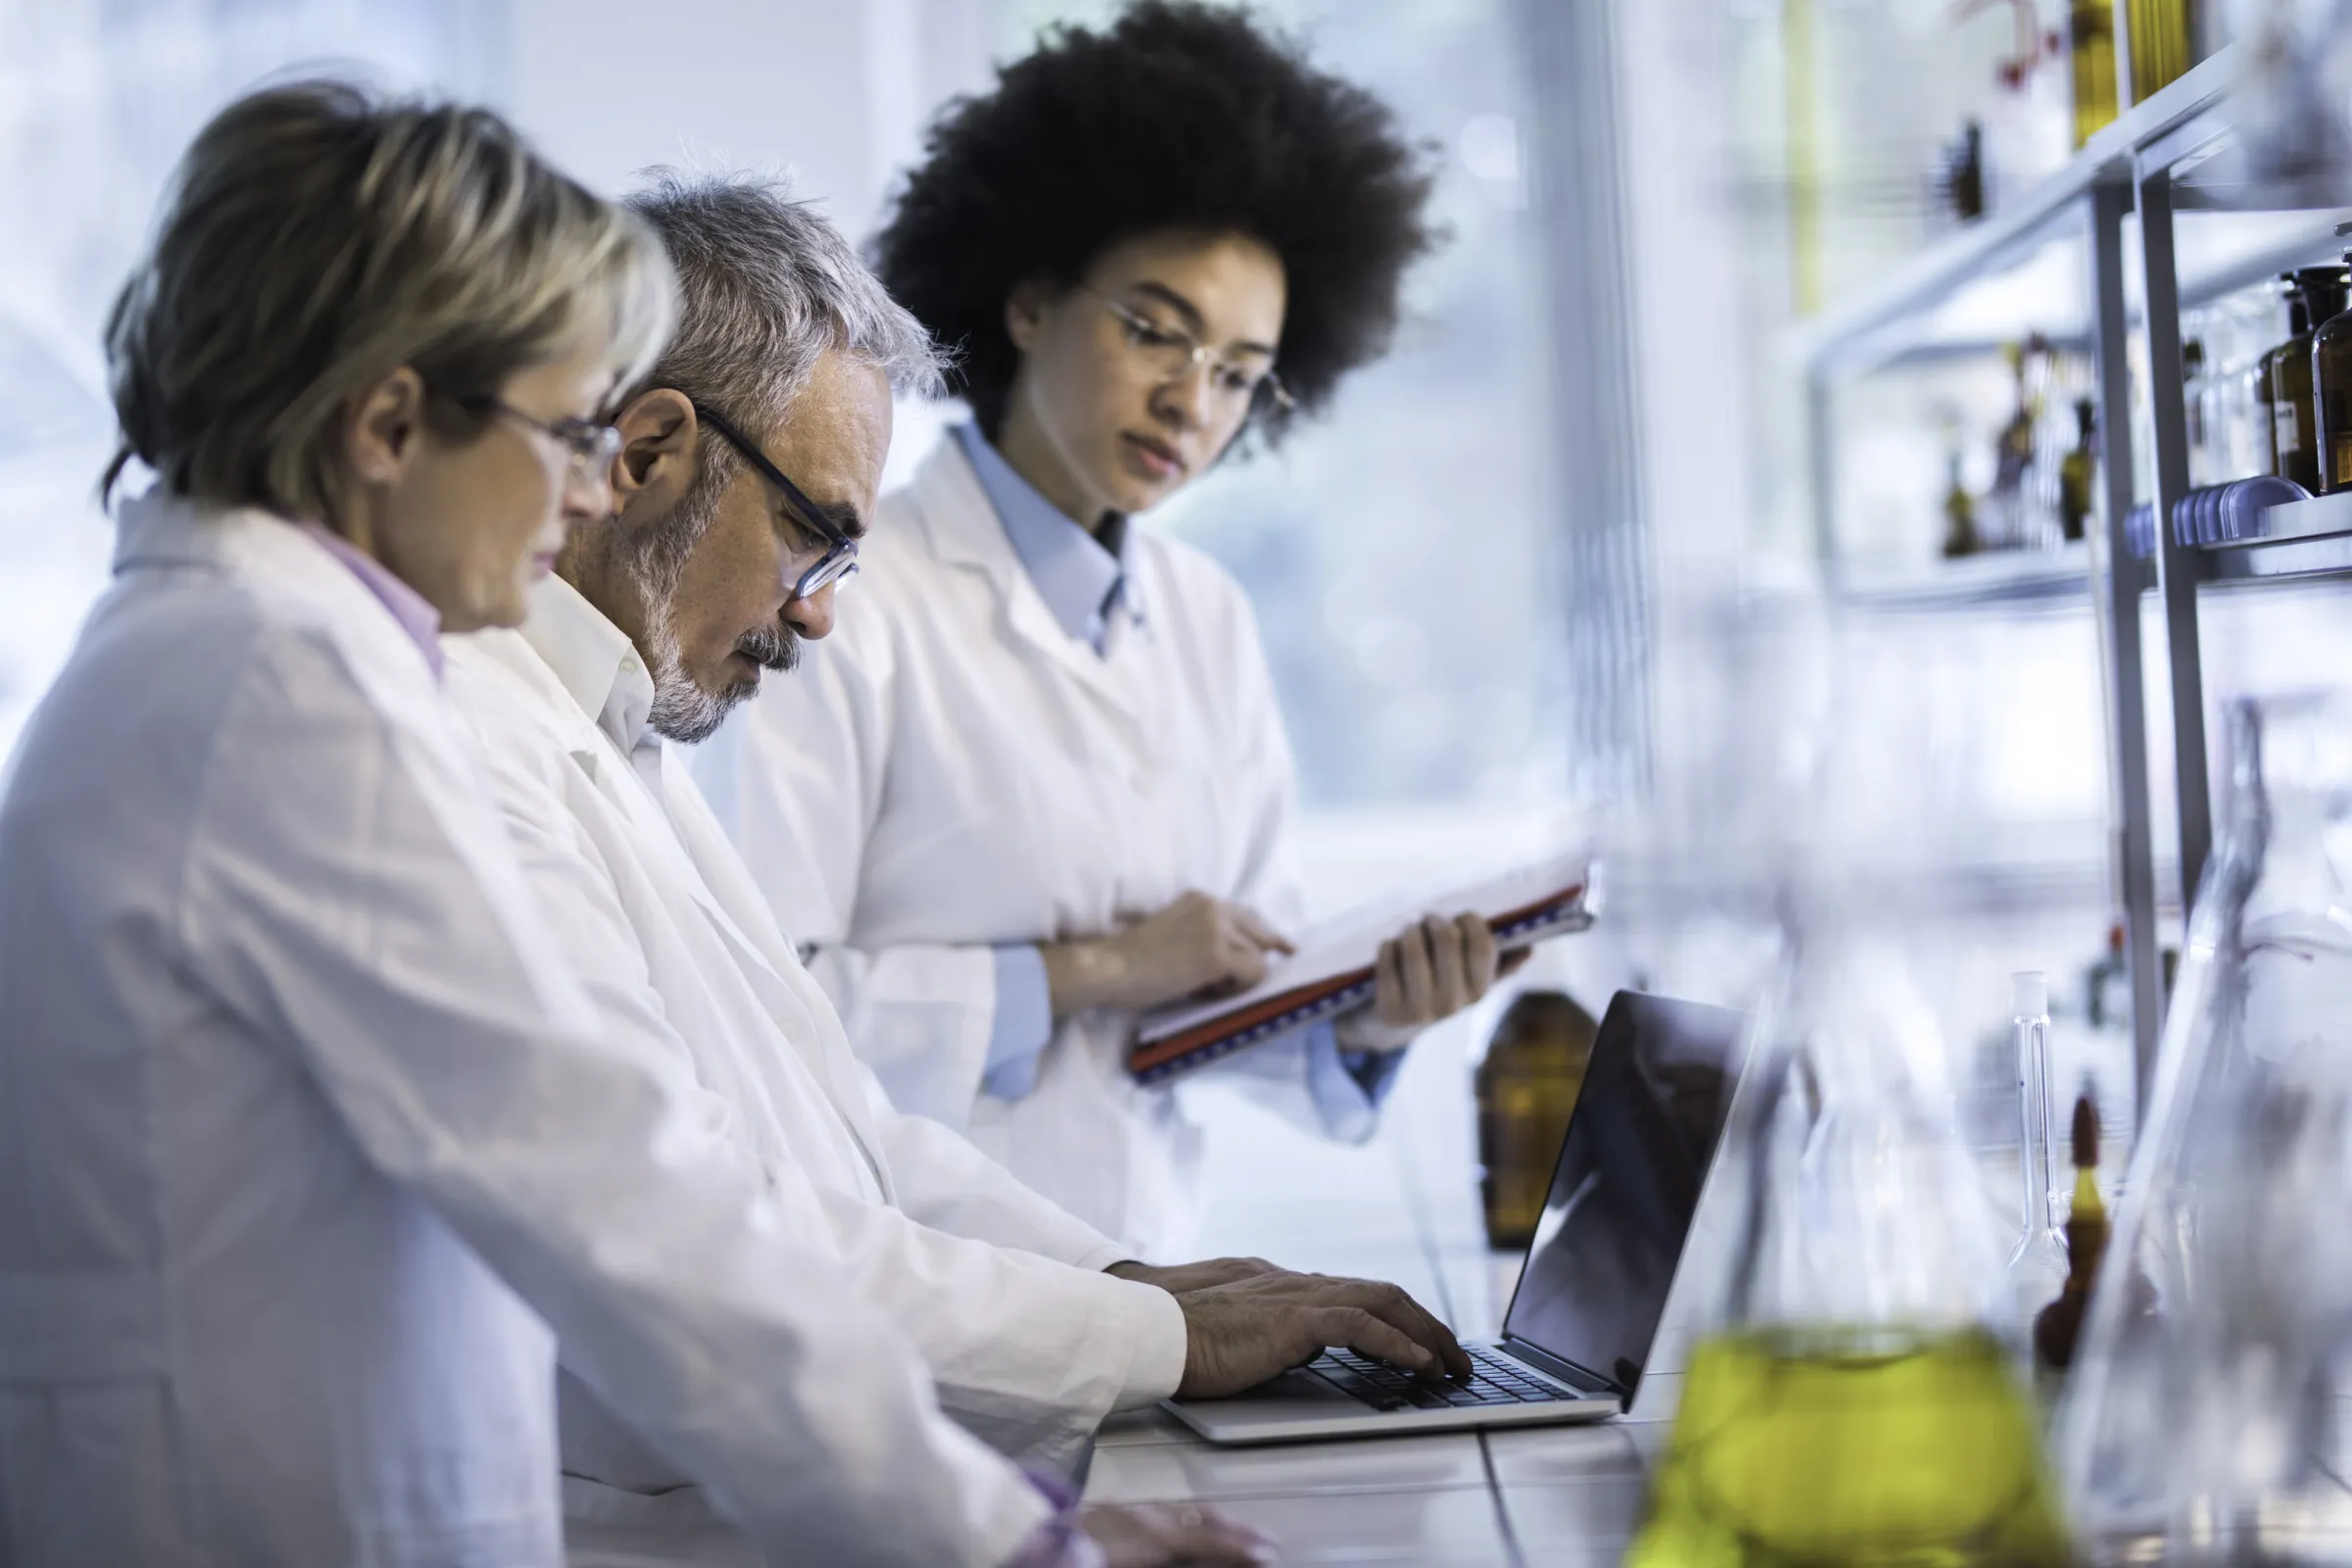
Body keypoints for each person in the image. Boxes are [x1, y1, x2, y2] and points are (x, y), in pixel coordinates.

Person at [0, 81, 1274, 1568]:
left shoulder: (236, 659)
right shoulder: (289, 692)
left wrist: (1140, 1319)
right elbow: (628, 1207)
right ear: (391, 424)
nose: (591, 486)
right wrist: (1018, 1544)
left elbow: (800, 1151)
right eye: (562, 429)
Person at [437, 170, 1474, 1549]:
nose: (816, 623)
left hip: (967, 1362)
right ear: (641, 456)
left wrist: (1145, 1288)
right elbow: (708, 1236)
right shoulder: (495, 740)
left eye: (1239, 370)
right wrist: (1141, 1332)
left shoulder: (624, 729)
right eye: (812, 537)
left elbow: (852, 1134)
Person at [704, 1, 1509, 1256]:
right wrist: (1095, 968)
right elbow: (759, 1010)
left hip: (1157, 1292)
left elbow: (1222, 1001)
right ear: (1028, 301)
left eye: (1241, 372)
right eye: (1155, 329)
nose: (1192, 401)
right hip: (915, 1304)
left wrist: (1369, 1019)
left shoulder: (1209, 619)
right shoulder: (839, 595)